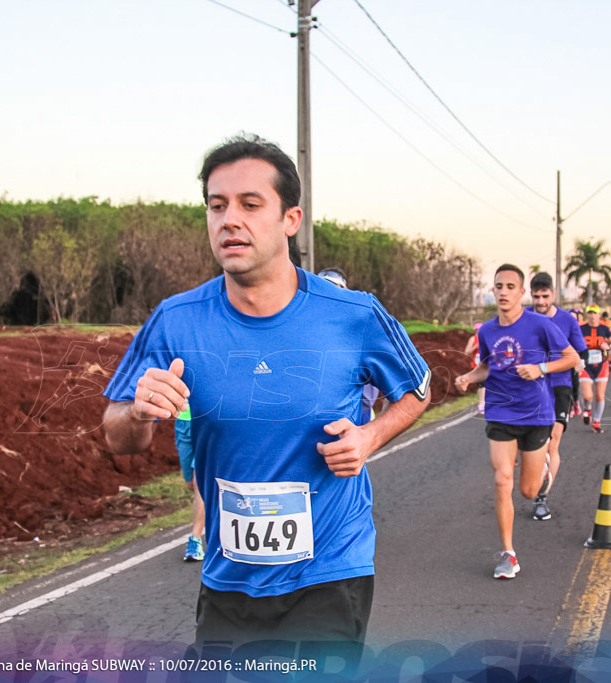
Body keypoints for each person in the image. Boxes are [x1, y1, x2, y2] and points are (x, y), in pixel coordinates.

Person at [102, 134, 431, 648]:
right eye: (217, 206)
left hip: (328, 571)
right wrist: (139, 413)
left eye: (250, 204)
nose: (229, 219)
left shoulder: (354, 314)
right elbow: (118, 437)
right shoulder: (176, 321)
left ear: (290, 220)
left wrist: (370, 436)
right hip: (227, 577)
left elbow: (418, 388)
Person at [454, 265, 579, 579]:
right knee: (501, 480)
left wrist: (541, 369)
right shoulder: (487, 331)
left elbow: (572, 357)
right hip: (500, 411)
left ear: (521, 293)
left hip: (536, 414)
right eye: (499, 286)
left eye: (511, 286)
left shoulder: (540, 324)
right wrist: (469, 377)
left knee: (528, 491)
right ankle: (508, 554)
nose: (504, 291)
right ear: (493, 291)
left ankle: (544, 472)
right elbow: (487, 366)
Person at [525, 272, 587, 521]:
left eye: (545, 296)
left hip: (560, 385)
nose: (540, 301)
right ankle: (533, 478)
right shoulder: (523, 318)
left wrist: (579, 366)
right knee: (532, 444)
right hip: (530, 387)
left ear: (553, 294)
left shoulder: (567, 320)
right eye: (536, 296)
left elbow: (579, 352)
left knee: (553, 441)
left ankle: (542, 498)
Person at [317, 267, 383, 422]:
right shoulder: (307, 326)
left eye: (333, 288)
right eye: (322, 288)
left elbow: (368, 397)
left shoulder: (359, 327)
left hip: (356, 420)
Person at [174, 401, 205, 561]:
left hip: (207, 419)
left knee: (199, 480)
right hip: (183, 420)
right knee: (191, 484)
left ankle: (195, 540)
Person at [578, 305, 611, 434]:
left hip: (601, 364)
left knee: (599, 395)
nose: (592, 316)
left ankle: (597, 421)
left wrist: (607, 346)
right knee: (587, 395)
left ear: (599, 315)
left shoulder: (604, 329)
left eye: (594, 313)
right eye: (590, 313)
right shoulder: (581, 329)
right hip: (586, 364)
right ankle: (587, 408)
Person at [463, 321, 486, 414]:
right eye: (476, 330)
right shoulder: (473, 339)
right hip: (477, 365)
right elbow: (466, 352)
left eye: (479, 330)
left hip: (487, 364)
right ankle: (481, 404)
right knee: (481, 384)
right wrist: (475, 347)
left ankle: (488, 402)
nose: (478, 331)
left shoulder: (486, 338)